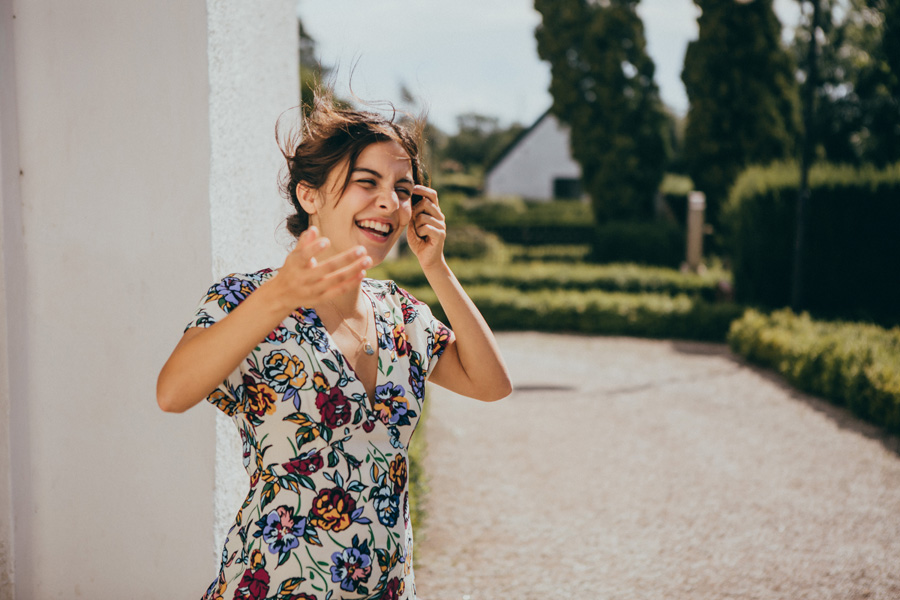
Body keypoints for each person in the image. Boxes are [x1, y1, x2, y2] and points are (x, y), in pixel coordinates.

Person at [156, 90, 512, 600]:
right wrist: (280, 294)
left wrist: (437, 267)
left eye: (403, 189)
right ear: (311, 196)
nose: (390, 201)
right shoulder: (243, 298)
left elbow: (493, 383)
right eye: (367, 182)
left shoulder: (402, 315)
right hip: (274, 582)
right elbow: (172, 393)